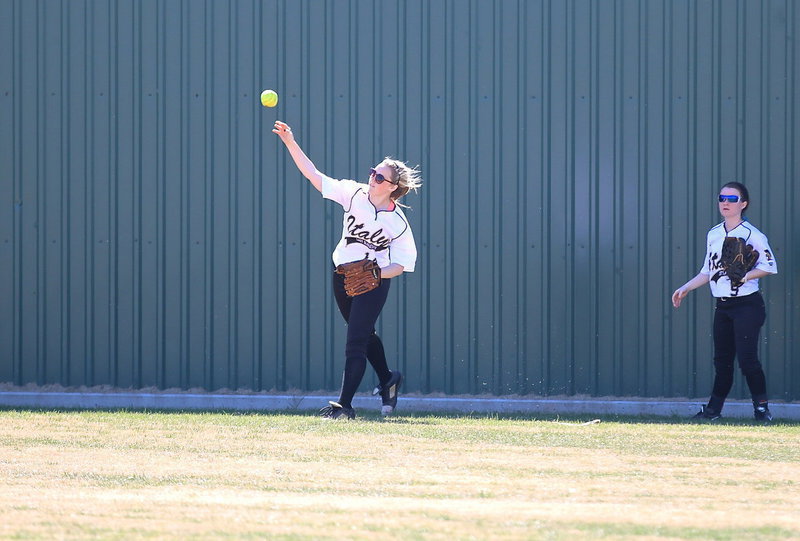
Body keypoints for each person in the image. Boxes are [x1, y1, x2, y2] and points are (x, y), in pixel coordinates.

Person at [272, 120, 422, 419]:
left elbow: (402, 264)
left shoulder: (398, 223)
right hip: (342, 273)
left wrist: (378, 274)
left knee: (355, 340)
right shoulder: (353, 194)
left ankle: (343, 406)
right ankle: (388, 379)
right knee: (364, 335)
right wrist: (290, 142)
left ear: (392, 187)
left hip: (375, 281)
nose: (372, 179)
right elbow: (314, 176)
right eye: (373, 172)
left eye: (379, 177)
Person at [671, 182, 778, 422]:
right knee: (722, 361)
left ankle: (762, 410)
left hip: (747, 305)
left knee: (747, 359)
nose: (726, 202)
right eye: (722, 198)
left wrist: (745, 275)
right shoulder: (714, 233)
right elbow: (708, 271)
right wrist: (686, 287)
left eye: (732, 198)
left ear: (743, 204)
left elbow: (770, 266)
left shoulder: (753, 234)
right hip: (723, 305)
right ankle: (713, 411)